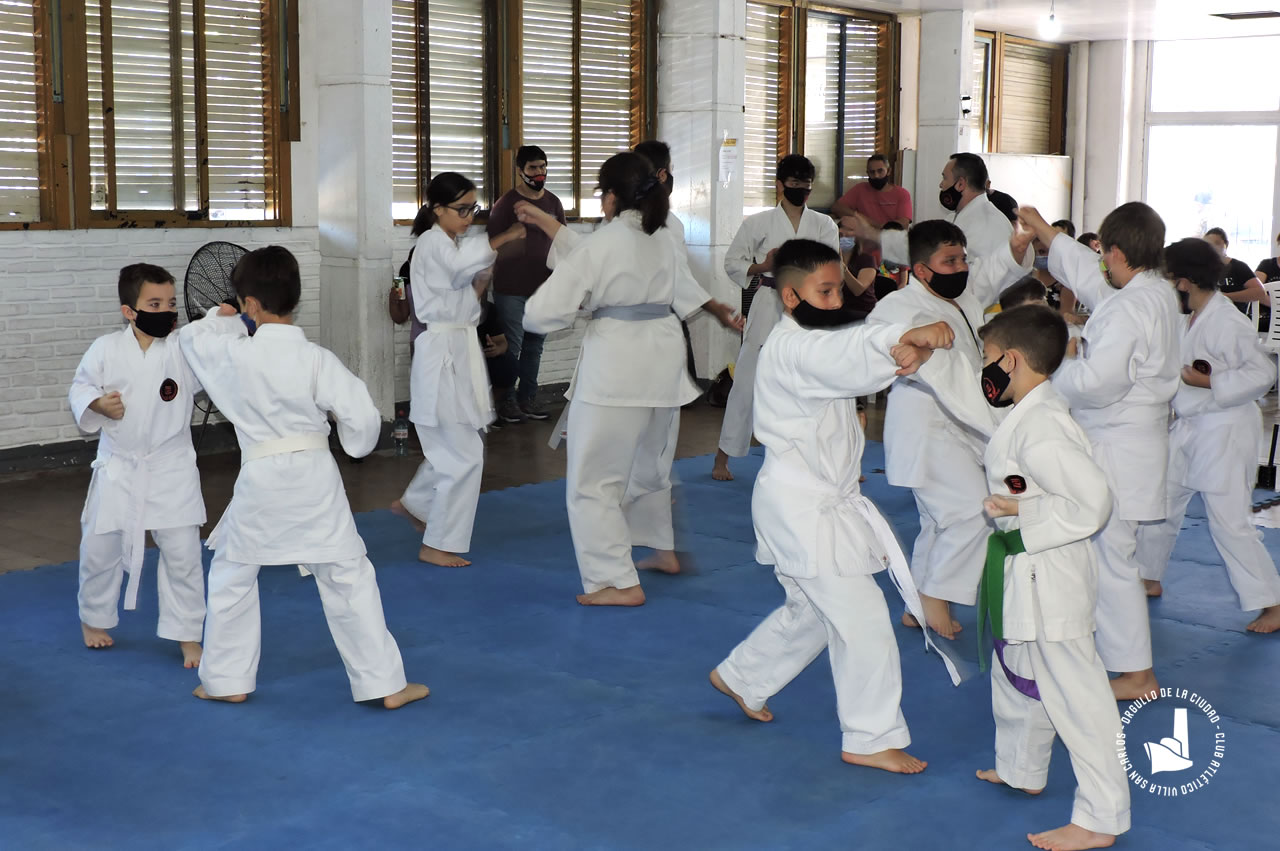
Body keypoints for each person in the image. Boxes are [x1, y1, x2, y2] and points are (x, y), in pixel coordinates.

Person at [709, 238, 958, 775]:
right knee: (862, 619)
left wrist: (904, 345)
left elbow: (855, 346)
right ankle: (870, 737)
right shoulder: (794, 348)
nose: (835, 300)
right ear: (790, 296)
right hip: (804, 508)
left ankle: (744, 677)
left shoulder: (811, 338)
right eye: (824, 292)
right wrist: (905, 338)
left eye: (837, 289)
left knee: (815, 612)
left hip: (807, 503)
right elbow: (849, 355)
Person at [918, 305, 1130, 851]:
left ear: (1010, 360)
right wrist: (928, 360)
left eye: (988, 358)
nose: (984, 369)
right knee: (1017, 674)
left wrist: (1023, 513)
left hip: (1051, 573)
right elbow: (971, 405)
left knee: (1077, 700)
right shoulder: (1027, 411)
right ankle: (1022, 768)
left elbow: (1093, 503)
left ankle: (1101, 818)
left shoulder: (1044, 429)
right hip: (1025, 568)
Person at [179, 246, 428, 709]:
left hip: (260, 477)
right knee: (347, 576)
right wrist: (353, 445)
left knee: (233, 575)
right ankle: (385, 685)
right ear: (295, 297)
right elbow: (362, 421)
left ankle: (226, 680)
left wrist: (224, 316)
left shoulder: (231, 353)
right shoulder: (316, 358)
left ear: (251, 303)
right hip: (314, 477)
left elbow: (193, 337)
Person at [518, 152, 742, 606]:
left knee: (593, 483)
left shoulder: (603, 243)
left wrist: (584, 306)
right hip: (664, 362)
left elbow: (540, 313)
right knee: (649, 464)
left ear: (611, 196)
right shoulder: (661, 237)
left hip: (617, 367)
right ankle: (662, 548)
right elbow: (683, 290)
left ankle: (615, 581)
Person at [1019, 202, 1179, 701]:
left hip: (1118, 444)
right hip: (1133, 442)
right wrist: (1045, 232)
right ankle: (1119, 657)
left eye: (1104, 253)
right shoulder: (1153, 291)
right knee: (1108, 556)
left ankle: (1136, 672)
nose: (1100, 262)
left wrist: (1059, 363)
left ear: (1117, 252)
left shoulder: (1132, 306)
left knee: (1113, 559)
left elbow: (1099, 383)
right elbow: (1093, 278)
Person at [858, 219, 1031, 639]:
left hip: (963, 421)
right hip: (926, 424)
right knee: (973, 511)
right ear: (921, 270)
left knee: (939, 521)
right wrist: (913, 338)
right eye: (949, 261)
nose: (960, 268)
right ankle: (934, 595)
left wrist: (1016, 246)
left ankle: (917, 606)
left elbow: (993, 272)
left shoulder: (963, 296)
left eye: (962, 259)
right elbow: (875, 338)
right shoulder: (899, 305)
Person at [1135, 238, 1280, 634]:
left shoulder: (1227, 322)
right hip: (1189, 427)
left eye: (1170, 280)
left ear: (1185, 281)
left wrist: (1210, 381)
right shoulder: (1190, 316)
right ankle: (1148, 575)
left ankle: (1272, 602)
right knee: (1161, 504)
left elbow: (1263, 373)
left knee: (1228, 523)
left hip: (1225, 430)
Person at [68, 263, 206, 667]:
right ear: (129, 311)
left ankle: (187, 633)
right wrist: (97, 404)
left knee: (183, 554)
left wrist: (227, 317)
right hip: (120, 466)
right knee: (99, 549)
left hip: (171, 466)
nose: (166, 311)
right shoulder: (106, 348)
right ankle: (94, 618)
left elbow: (216, 344)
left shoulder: (184, 348)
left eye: (170, 304)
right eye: (154, 304)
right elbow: (80, 387)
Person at [391, 173, 526, 567]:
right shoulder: (433, 242)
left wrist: (481, 282)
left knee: (452, 444)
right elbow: (459, 270)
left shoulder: (449, 244)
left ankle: (417, 503)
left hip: (455, 348)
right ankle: (437, 542)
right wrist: (502, 238)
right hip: (442, 354)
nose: (469, 217)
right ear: (437, 209)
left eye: (473, 209)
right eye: (462, 209)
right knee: (464, 454)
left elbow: (463, 302)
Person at [713, 154, 839, 482]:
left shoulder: (824, 225)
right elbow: (732, 262)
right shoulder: (758, 223)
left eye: (806, 185)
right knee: (747, 380)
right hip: (768, 302)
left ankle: (824, 456)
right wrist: (763, 266)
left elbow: (832, 267)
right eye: (795, 183)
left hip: (809, 307)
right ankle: (723, 456)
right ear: (780, 185)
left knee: (812, 382)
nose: (801, 190)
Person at [390, 205, 518, 427]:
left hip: (457, 336)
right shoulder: (421, 260)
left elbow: (474, 306)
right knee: (441, 405)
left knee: (458, 404)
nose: (466, 219)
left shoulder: (456, 256)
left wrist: (482, 279)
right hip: (430, 338)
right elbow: (400, 315)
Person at [486, 145, 566, 423]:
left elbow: (563, 241)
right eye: (533, 168)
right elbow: (491, 245)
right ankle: (507, 402)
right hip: (511, 289)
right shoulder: (505, 204)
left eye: (543, 166)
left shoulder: (553, 203)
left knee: (535, 347)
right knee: (512, 346)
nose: (539, 172)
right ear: (520, 170)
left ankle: (527, 398)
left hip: (543, 289)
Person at [1204, 227, 1268, 324]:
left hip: (1233, 320)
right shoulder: (1201, 269)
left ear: (1226, 245)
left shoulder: (1238, 267)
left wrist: (1226, 296)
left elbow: (1260, 292)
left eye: (1217, 243)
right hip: (1208, 319)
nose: (1213, 248)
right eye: (1208, 245)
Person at [831, 153, 913, 228]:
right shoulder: (860, 189)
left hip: (891, 237)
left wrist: (877, 227)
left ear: (888, 171)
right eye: (872, 172)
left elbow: (903, 223)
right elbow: (837, 207)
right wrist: (859, 217)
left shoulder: (902, 193)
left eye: (880, 171)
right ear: (867, 173)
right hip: (865, 237)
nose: (876, 175)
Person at [998, 276, 1084, 341]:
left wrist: (1082, 320)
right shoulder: (1021, 348)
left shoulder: (1067, 329)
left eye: (1043, 300)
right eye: (1036, 306)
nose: (1045, 307)